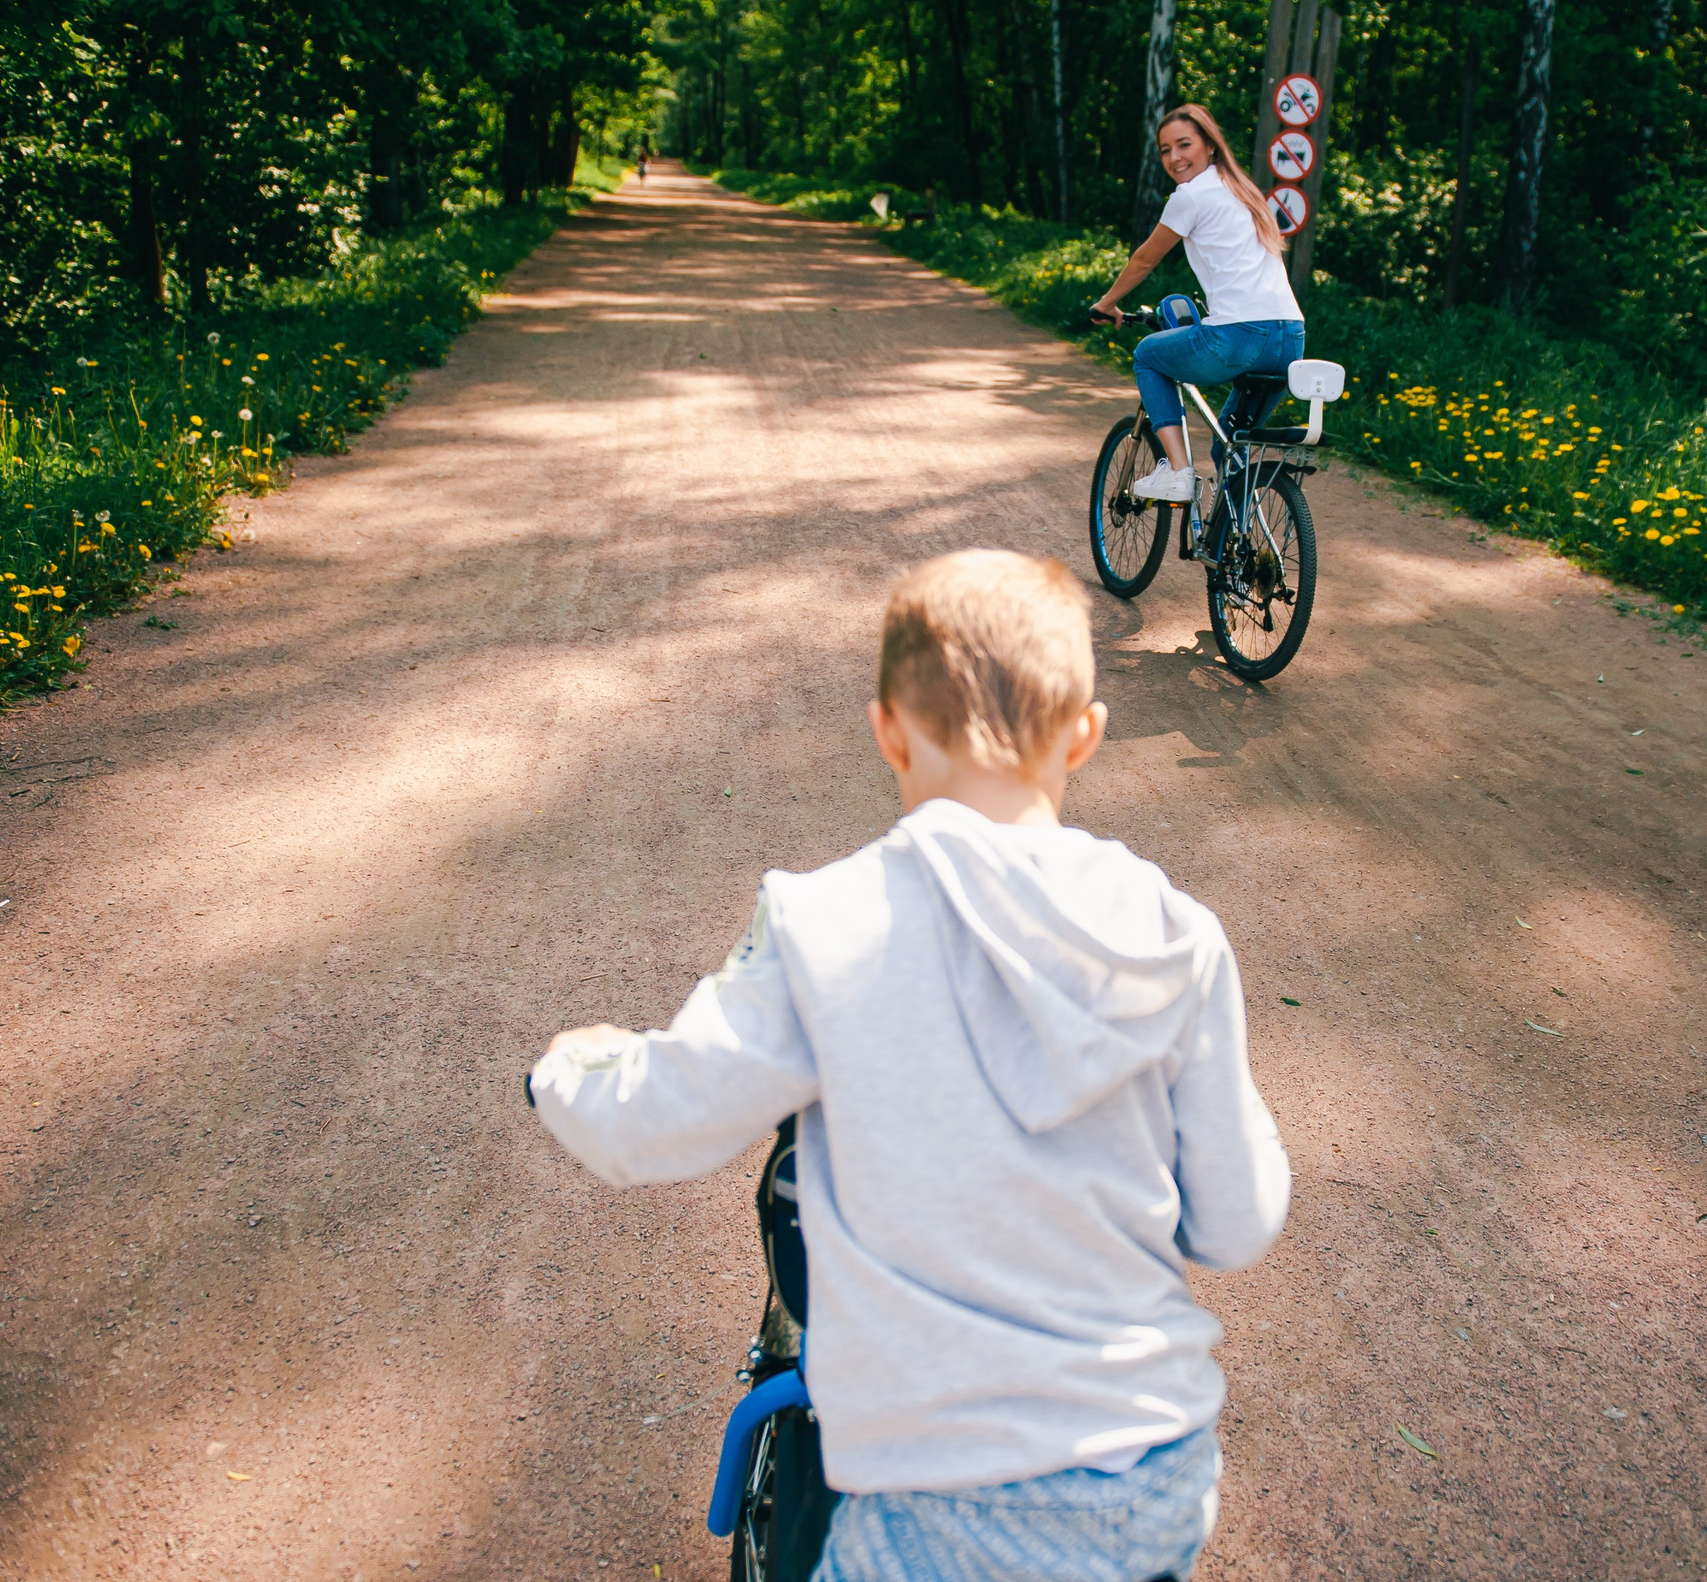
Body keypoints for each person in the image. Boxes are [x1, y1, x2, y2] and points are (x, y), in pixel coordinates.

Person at [528, 549, 1290, 1582]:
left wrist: (573, 1069)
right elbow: (1235, 1225)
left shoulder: (825, 925)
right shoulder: (1176, 937)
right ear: (1084, 735)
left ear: (886, 727)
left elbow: (656, 1123)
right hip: (1149, 1475)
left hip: (943, 1496)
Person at [1089, 104, 1305, 506]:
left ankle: (1177, 472)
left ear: (1209, 145)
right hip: (1291, 338)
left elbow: (1144, 260)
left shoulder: (1190, 196)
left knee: (1149, 357)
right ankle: (1237, 546)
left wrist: (1108, 304)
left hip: (1239, 335)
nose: (1175, 158)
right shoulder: (1246, 191)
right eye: (1165, 150)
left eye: (1184, 145)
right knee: (1231, 442)